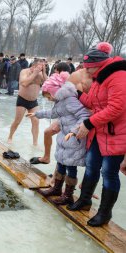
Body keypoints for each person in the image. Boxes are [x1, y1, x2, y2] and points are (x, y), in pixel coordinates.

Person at [67, 42, 126, 227]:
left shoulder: (118, 76)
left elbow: (116, 108)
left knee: (109, 173)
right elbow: (93, 102)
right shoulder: (100, 78)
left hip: (115, 134)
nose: (86, 71)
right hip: (99, 131)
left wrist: (88, 122)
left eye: (88, 68)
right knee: (92, 166)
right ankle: (85, 200)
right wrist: (77, 94)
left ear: (98, 64)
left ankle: (104, 213)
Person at [27, 72, 91, 206]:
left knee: (71, 167)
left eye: (49, 96)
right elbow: (53, 113)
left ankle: (68, 195)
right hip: (64, 137)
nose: (49, 99)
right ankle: (56, 188)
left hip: (73, 138)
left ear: (56, 91)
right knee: (61, 163)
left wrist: (74, 131)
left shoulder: (69, 100)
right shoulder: (60, 101)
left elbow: (84, 115)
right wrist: (37, 114)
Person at [29, 62, 85, 165]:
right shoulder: (62, 84)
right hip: (65, 114)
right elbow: (55, 110)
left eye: (55, 70)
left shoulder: (73, 83)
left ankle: (57, 169)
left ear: (59, 71)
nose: (54, 72)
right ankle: (47, 158)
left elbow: (79, 106)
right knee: (49, 134)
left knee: (62, 141)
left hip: (73, 117)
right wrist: (37, 114)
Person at [7, 58, 47, 146]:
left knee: (36, 121)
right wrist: (34, 73)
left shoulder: (41, 74)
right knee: (17, 121)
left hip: (33, 101)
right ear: (34, 65)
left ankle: (35, 142)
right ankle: (10, 136)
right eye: (40, 66)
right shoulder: (24, 71)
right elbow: (24, 83)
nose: (41, 68)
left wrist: (44, 72)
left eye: (43, 66)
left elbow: (47, 84)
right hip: (22, 99)